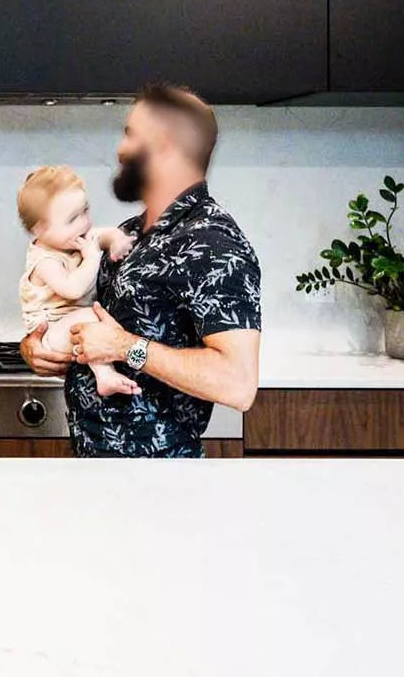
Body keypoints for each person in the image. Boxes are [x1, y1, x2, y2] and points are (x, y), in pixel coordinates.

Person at [21, 84, 261, 457]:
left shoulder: (214, 243)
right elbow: (80, 320)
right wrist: (37, 348)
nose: (119, 149)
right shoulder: (130, 233)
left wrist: (124, 347)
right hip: (95, 469)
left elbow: (238, 384)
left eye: (130, 135)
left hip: (158, 483)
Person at [16, 165, 137, 397]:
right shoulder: (44, 262)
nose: (84, 223)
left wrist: (117, 240)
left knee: (91, 320)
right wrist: (92, 257)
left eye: (85, 211)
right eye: (72, 219)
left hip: (73, 330)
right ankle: (105, 375)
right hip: (51, 336)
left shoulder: (75, 239)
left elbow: (104, 234)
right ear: (40, 229)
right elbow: (73, 289)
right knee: (91, 317)